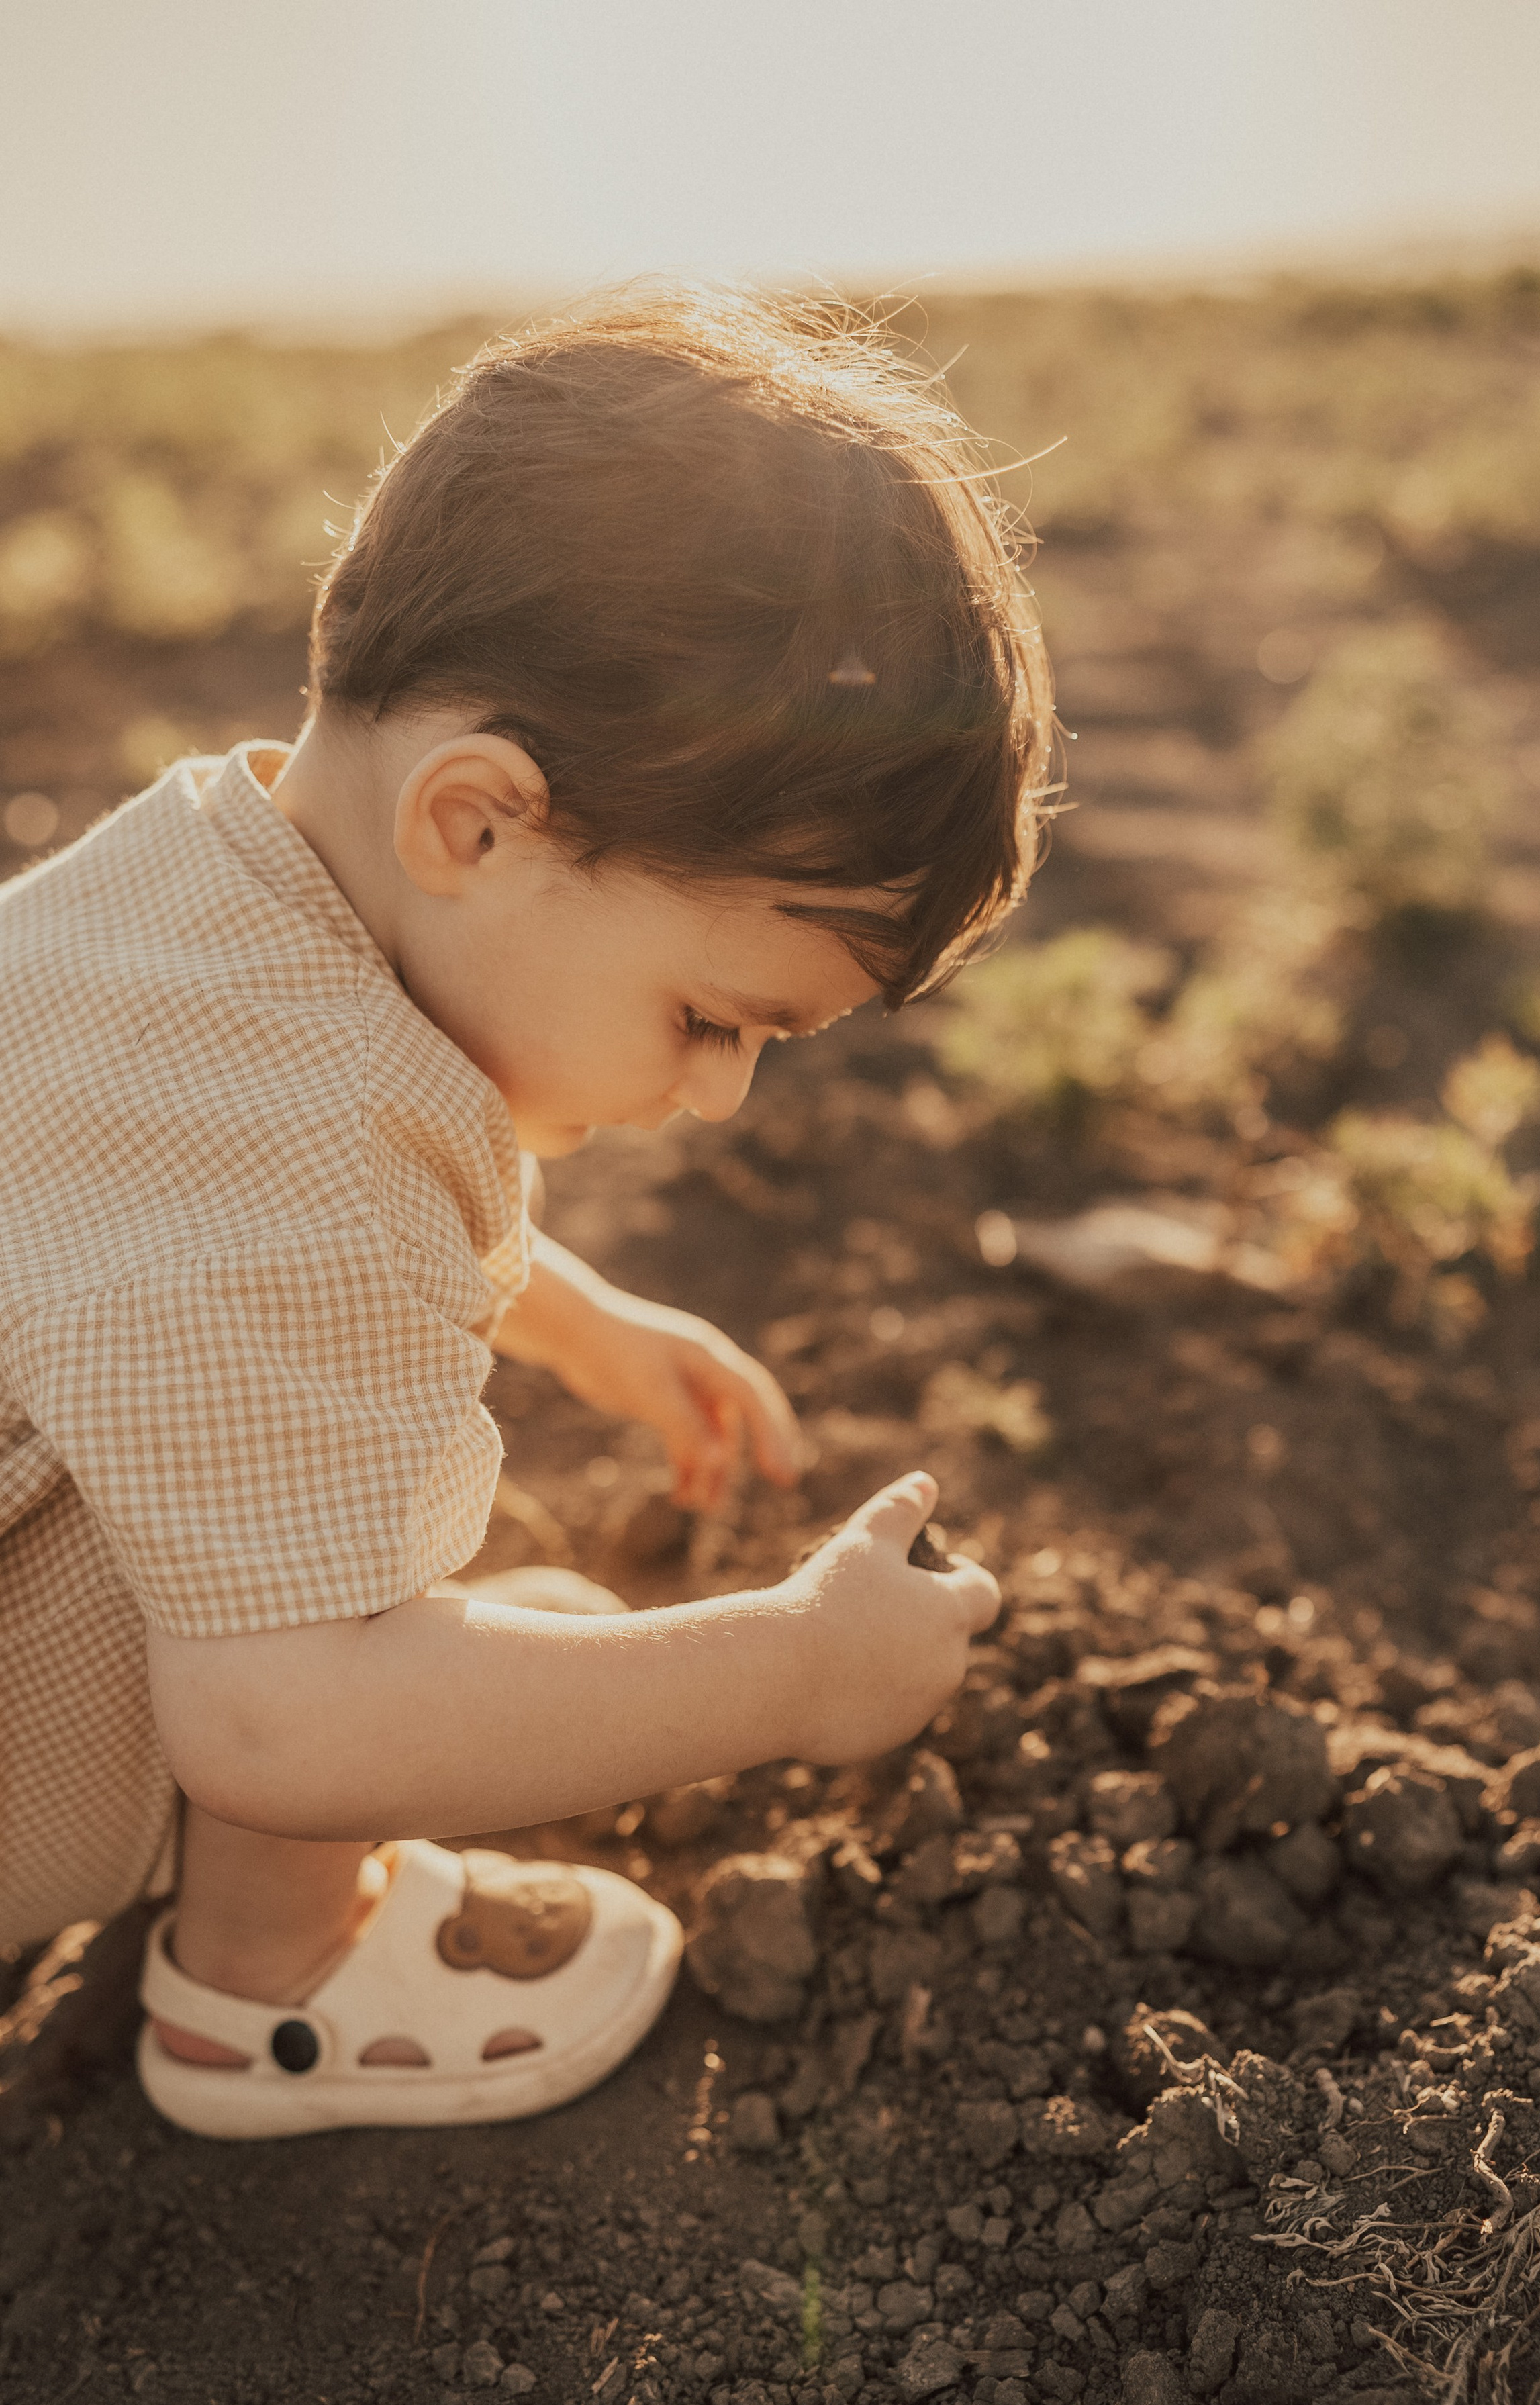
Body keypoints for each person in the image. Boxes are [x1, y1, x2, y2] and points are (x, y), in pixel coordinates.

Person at [0, 284, 1053, 2138]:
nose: (720, 1093)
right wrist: (787, 1671)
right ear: (475, 823)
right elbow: (283, 1726)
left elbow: (156, 1206)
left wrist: (576, 1315)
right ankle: (268, 1982)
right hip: (191, 1725)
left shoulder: (184, 886)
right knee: (346, 1664)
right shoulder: (319, 1157)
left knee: (381, 1576)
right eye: (713, 1018)